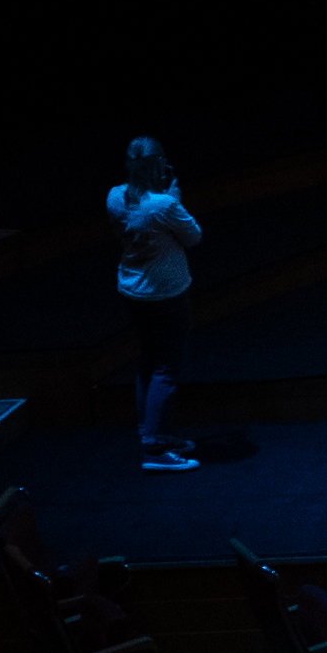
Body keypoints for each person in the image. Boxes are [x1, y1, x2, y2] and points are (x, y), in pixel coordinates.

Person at [111, 139, 203, 470]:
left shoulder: (114, 196)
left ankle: (152, 432)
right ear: (158, 164)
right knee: (166, 368)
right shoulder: (163, 204)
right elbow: (193, 236)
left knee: (148, 362)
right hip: (165, 294)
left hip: (133, 289)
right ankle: (154, 448)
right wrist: (174, 199)